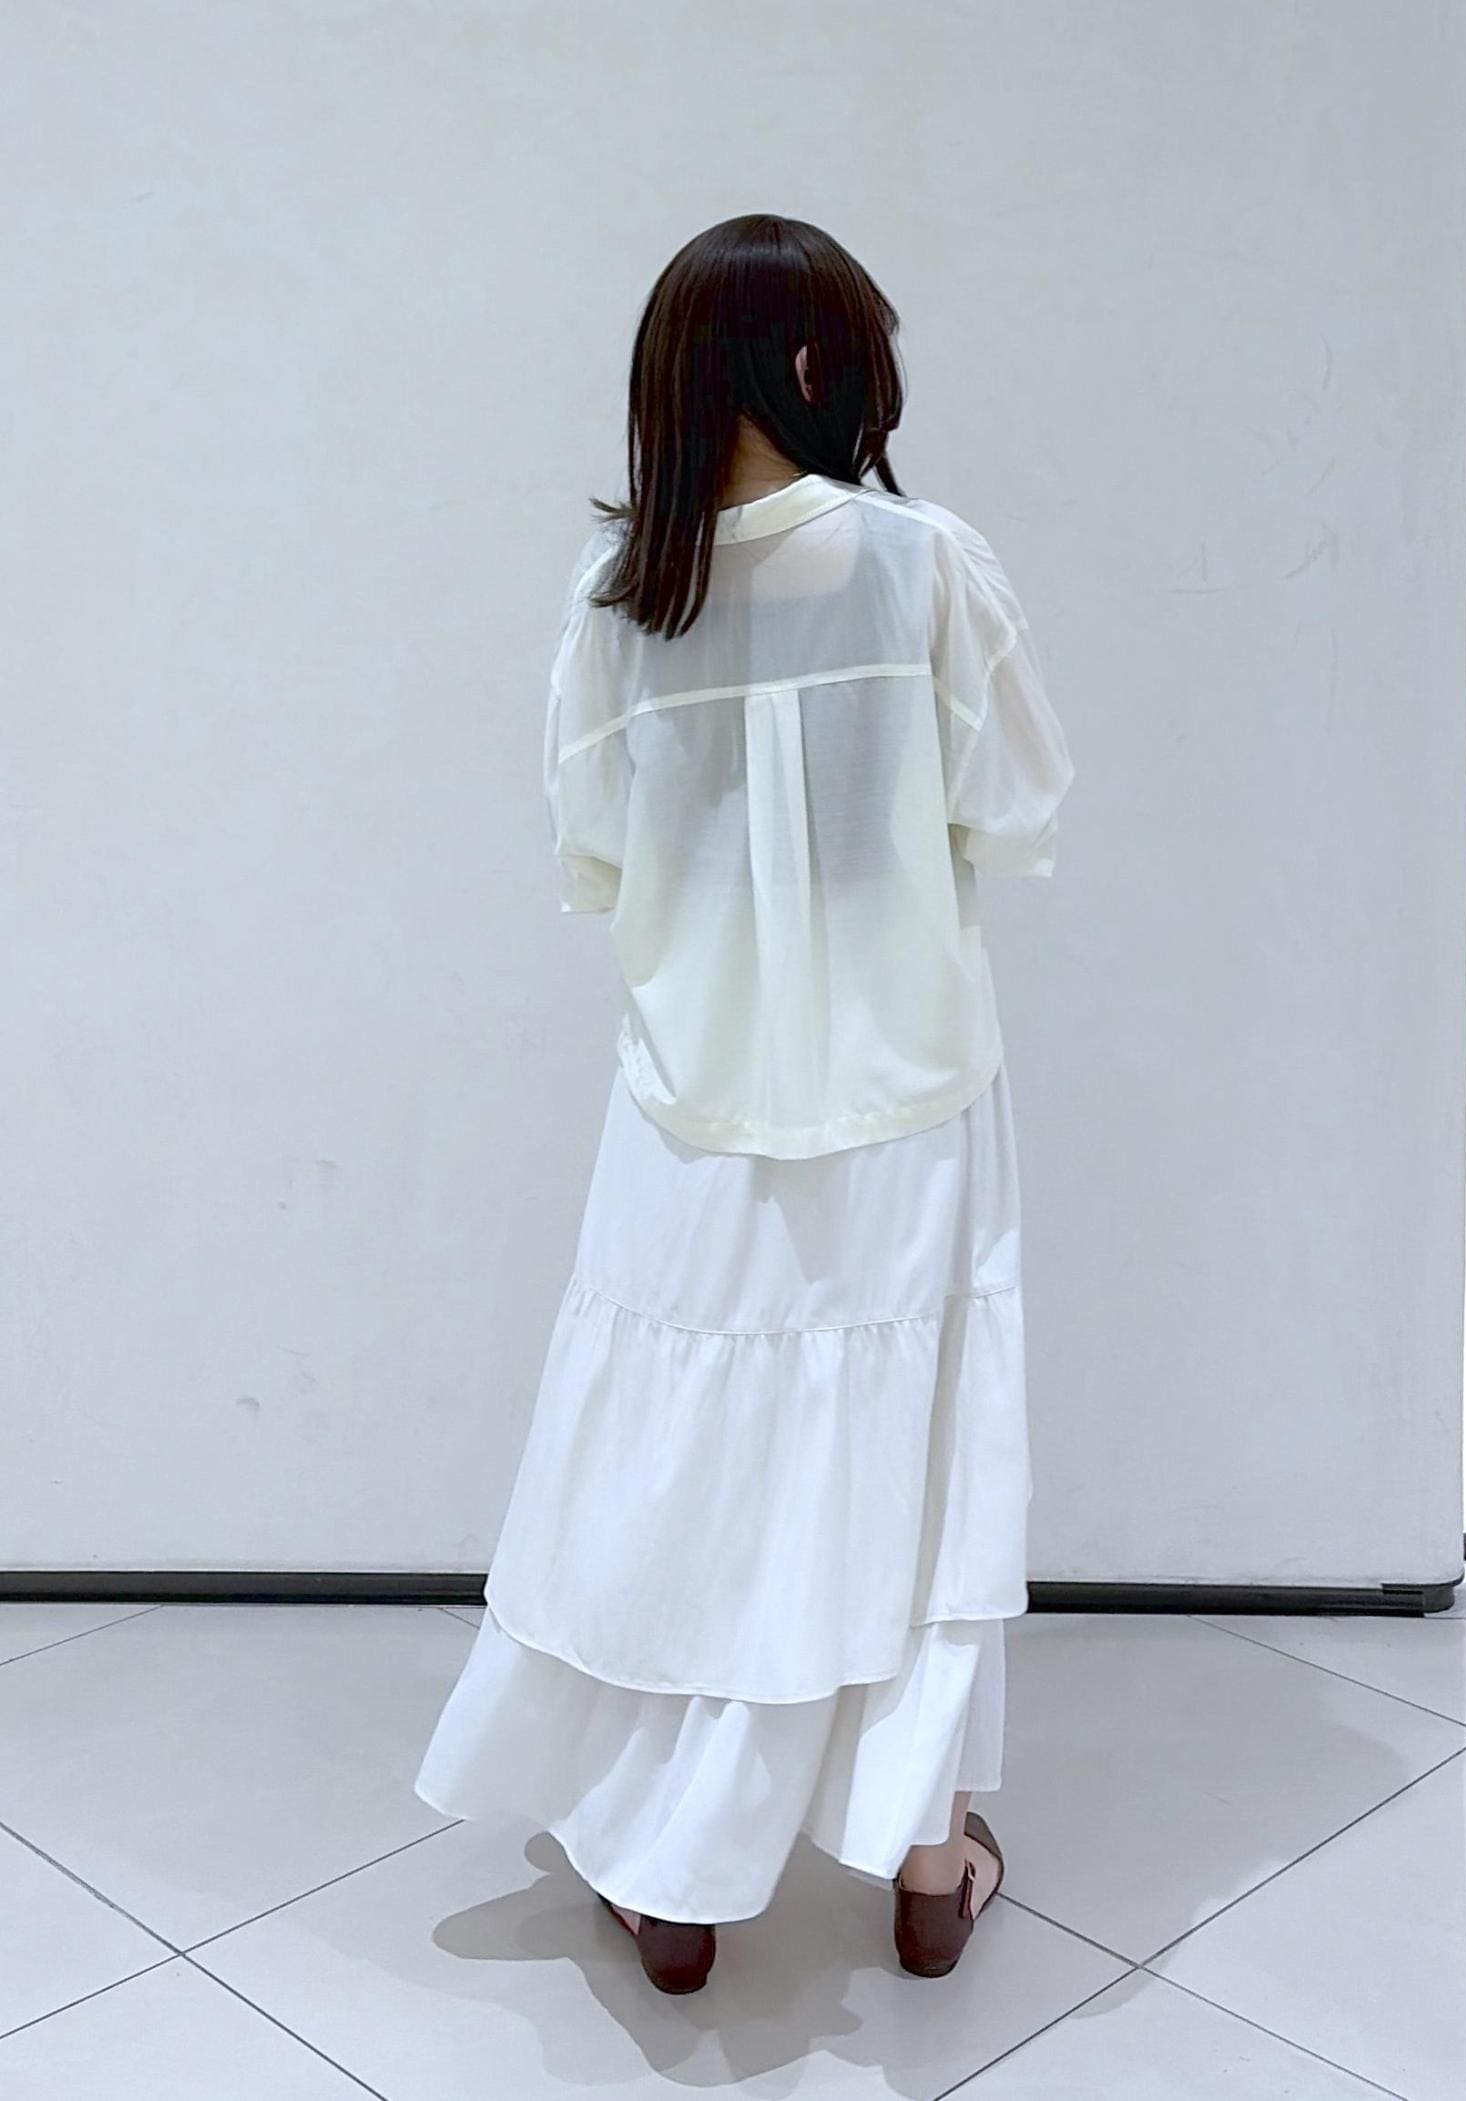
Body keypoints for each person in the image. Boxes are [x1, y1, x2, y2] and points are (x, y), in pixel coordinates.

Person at [414, 211, 1076, 1996]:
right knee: (913, 1458)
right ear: (807, 363)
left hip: (693, 1107)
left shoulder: (624, 594)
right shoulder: (925, 563)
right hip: (906, 1098)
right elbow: (1015, 804)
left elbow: (592, 851)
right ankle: (927, 1856)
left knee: (680, 1460)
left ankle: (676, 1876)